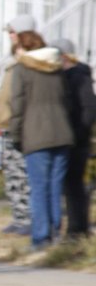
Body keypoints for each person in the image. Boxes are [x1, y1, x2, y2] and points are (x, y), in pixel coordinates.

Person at [7, 29, 74, 251]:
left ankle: (40, 237)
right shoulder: (57, 67)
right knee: (55, 187)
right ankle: (55, 232)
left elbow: (17, 105)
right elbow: (66, 98)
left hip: (36, 134)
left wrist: (15, 136)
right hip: (62, 133)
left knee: (38, 188)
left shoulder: (22, 69)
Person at [0, 15, 35, 235]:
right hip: (8, 125)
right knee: (11, 173)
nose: (10, 36)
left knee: (22, 174)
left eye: (13, 32)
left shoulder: (28, 61)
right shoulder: (14, 61)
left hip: (21, 127)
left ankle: (27, 218)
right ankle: (18, 216)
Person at [49, 38, 96, 238]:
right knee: (70, 185)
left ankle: (78, 228)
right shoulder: (64, 76)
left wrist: (79, 133)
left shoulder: (79, 75)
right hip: (68, 138)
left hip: (77, 140)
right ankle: (75, 228)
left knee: (74, 185)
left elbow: (89, 108)